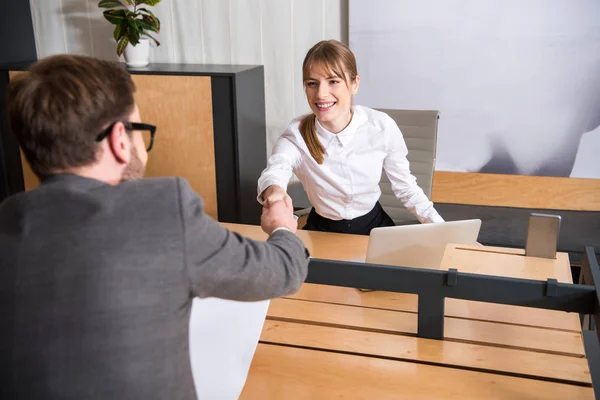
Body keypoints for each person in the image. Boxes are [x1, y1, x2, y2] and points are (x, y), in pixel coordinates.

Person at [0, 54, 309, 400]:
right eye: (139, 130)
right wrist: (283, 228)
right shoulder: (161, 211)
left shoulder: (7, 221)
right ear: (120, 140)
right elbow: (284, 271)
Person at [258, 40, 443, 236]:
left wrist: (444, 232)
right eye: (312, 83)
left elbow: (406, 188)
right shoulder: (297, 133)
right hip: (322, 231)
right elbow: (276, 170)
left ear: (354, 84)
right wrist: (275, 193)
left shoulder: (381, 126)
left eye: (333, 81)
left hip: (375, 227)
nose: (321, 94)